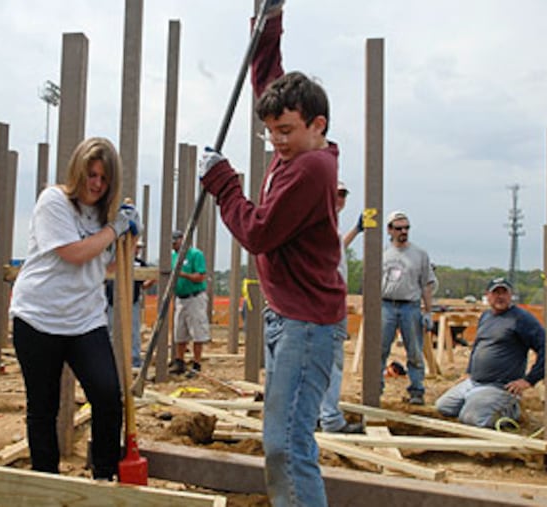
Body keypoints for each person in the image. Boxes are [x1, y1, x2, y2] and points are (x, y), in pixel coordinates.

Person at [199, 5, 344, 506]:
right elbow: (267, 76)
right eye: (270, 131)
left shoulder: (311, 171)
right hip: (287, 317)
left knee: (286, 444)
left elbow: (257, 233)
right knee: (282, 438)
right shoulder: (298, 146)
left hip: (306, 325)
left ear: (317, 124)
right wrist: (270, 19)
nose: (276, 141)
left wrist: (223, 182)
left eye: (285, 131)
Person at [9, 137, 140, 480]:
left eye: (104, 178)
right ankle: (46, 482)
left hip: (85, 319)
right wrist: (115, 230)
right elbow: (74, 253)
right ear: (77, 171)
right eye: (91, 175)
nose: (96, 184)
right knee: (44, 406)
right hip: (38, 316)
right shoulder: (53, 201)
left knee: (108, 395)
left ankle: (104, 476)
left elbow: (105, 267)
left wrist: (130, 238)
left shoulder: (104, 215)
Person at [435, 277, 545, 428]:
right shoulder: (486, 316)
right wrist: (469, 371)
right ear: (488, 295)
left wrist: (529, 380)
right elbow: (478, 346)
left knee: (471, 418)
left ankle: (512, 410)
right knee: (443, 407)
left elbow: (546, 347)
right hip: (474, 382)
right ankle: (479, 402)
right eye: (495, 293)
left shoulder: (521, 319)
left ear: (510, 295)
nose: (500, 296)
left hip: (500, 386)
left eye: (504, 292)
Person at [318, 181, 364, 434]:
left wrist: (356, 230)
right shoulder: (322, 224)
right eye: (335, 194)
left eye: (343, 194)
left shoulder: (328, 224)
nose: (340, 199)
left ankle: (316, 415)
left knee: (317, 363)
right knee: (332, 364)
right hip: (328, 305)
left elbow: (337, 251)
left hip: (326, 303)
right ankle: (331, 420)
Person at [381, 210, 436, 406]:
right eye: (399, 228)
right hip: (386, 304)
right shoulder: (383, 254)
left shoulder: (419, 255)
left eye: (406, 228)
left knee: (414, 350)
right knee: (380, 349)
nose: (403, 231)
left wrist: (428, 311)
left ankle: (416, 390)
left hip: (410, 306)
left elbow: (427, 284)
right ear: (390, 230)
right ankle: (375, 389)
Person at [105, 239, 155, 369]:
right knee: (111, 332)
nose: (137, 250)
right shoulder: (113, 261)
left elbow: (143, 284)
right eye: (136, 247)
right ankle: (112, 360)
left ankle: (134, 359)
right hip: (112, 302)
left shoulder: (139, 264)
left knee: (133, 332)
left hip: (131, 302)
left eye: (139, 248)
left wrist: (152, 280)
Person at [168, 229, 210, 376]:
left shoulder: (195, 255)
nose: (173, 245)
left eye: (175, 242)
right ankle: (179, 361)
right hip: (180, 298)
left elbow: (201, 276)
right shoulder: (173, 256)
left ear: (182, 240)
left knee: (197, 331)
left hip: (195, 298)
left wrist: (182, 274)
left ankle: (196, 363)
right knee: (180, 331)